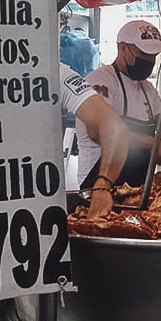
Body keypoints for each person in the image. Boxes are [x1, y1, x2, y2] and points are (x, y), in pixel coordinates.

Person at [77, 20, 161, 190]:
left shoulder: (147, 88)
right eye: (144, 54)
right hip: (99, 187)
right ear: (122, 48)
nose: (149, 60)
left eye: (153, 56)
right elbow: (97, 131)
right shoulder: (100, 81)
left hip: (136, 190)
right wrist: (151, 144)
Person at [60, 63, 128, 218]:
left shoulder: (58, 74)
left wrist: (102, 185)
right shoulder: (100, 78)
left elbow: (113, 127)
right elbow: (96, 132)